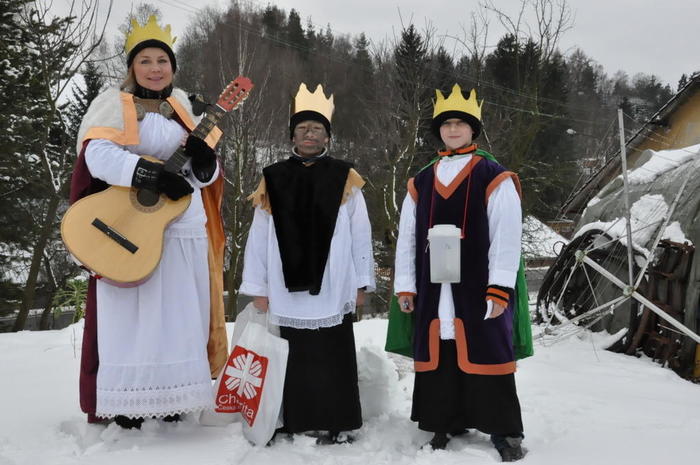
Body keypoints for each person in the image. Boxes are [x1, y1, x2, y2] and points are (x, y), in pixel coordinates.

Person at [68, 15, 228, 428]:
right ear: (132, 67)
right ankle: (129, 403)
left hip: (182, 226)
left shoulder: (186, 110)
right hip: (130, 227)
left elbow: (203, 176)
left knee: (180, 315)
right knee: (131, 318)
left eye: (163, 61)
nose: (155, 68)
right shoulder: (112, 104)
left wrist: (205, 163)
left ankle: (174, 398)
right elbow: (98, 157)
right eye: (146, 60)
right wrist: (150, 175)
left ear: (173, 67)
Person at [393, 84, 526, 461]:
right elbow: (407, 237)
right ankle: (444, 421)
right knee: (442, 350)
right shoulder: (421, 181)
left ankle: (504, 431)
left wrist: (499, 287)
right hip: (434, 287)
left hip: (479, 287)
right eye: (447, 124)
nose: (453, 129)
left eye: (460, 123)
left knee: (487, 349)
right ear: (439, 130)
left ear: (473, 129)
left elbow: (506, 236)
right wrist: (406, 285)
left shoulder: (494, 176)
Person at [239, 83, 375, 444]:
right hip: (286, 285)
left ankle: (337, 421)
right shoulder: (273, 177)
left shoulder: (345, 177)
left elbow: (361, 232)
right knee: (293, 355)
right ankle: (295, 420)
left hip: (334, 283)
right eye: (302, 128)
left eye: (316, 128)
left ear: (327, 136)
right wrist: (258, 287)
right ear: (292, 136)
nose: (309, 134)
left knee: (333, 355)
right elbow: (259, 236)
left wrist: (361, 282)